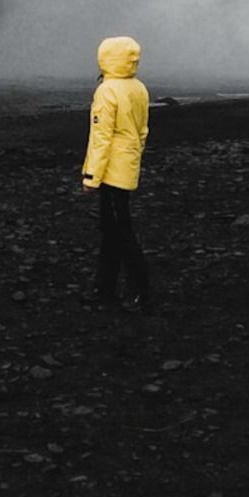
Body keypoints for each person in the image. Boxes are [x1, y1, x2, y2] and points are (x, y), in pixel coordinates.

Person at [82, 35, 152, 310]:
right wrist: (134, 156)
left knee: (120, 232)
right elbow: (142, 131)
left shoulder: (107, 91)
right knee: (112, 232)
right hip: (128, 166)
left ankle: (139, 290)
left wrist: (91, 176)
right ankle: (104, 289)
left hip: (111, 172)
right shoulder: (139, 89)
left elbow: (101, 138)